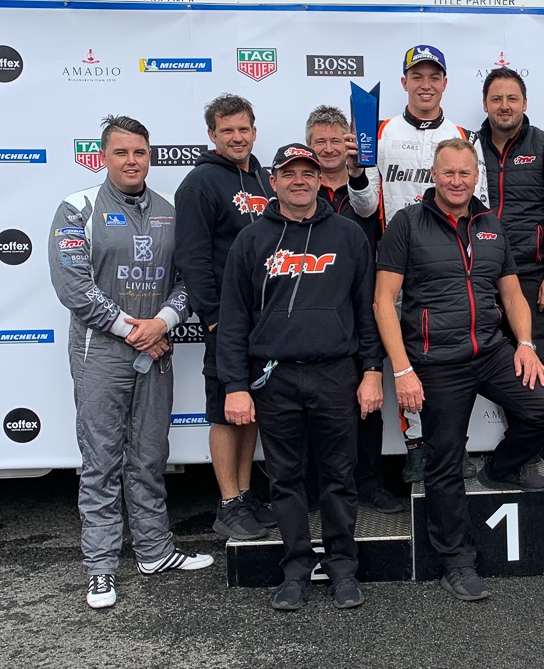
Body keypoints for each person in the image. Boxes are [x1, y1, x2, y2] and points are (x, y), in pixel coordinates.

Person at [374, 139, 544, 602]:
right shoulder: (407, 223)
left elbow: (512, 294)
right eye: (448, 173)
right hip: (436, 360)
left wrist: (525, 344)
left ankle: (501, 468)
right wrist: (402, 370)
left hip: (491, 351)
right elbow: (383, 301)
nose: (457, 181)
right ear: (434, 175)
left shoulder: (490, 225)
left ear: (476, 177)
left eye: (465, 173)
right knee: (444, 462)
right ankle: (457, 562)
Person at [49, 115, 213, 610]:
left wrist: (161, 323)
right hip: (101, 353)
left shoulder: (169, 211)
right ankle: (100, 568)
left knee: (149, 455)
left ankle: (154, 551)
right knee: (102, 461)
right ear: (103, 157)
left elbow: (188, 279)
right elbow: (74, 287)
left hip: (155, 350)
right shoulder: (77, 208)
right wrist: (133, 331)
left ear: (150, 156)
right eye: (120, 152)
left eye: (139, 152)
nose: (131, 161)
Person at [217, 143, 385, 611]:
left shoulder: (349, 235)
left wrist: (372, 371)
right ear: (273, 181)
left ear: (319, 179)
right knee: (286, 480)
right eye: (289, 173)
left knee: (339, 477)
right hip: (275, 379)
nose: (299, 181)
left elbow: (367, 311)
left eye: (307, 173)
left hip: (336, 374)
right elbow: (233, 321)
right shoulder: (251, 240)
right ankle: (295, 570)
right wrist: (235, 386)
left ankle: (343, 568)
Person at [376, 45, 488, 482]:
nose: (426, 85)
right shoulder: (380, 131)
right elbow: (365, 205)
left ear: (445, 83)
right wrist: (360, 175)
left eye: (434, 77)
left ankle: (450, 445)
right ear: (404, 82)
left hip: (448, 261)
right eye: (417, 76)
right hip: (397, 257)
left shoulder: (464, 135)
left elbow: (480, 205)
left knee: (452, 359)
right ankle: (415, 446)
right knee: (405, 357)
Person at [174, 94, 277, 541]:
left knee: (250, 410)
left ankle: (246, 494)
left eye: (243, 129)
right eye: (227, 130)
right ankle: (228, 503)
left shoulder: (265, 179)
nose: (237, 137)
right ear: (212, 135)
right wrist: (213, 317)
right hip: (227, 323)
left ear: (254, 131)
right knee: (224, 412)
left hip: (266, 322)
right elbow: (192, 257)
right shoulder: (199, 184)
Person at [477, 67, 544, 486]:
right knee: (501, 367)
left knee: (542, 361)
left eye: (512, 98)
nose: (505, 106)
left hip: (534, 275)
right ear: (486, 104)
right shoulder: (470, 145)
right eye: (497, 99)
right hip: (482, 276)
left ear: (524, 102)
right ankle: (520, 456)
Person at [305, 105, 401, 514]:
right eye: (319, 142)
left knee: (369, 395)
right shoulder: (299, 189)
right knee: (313, 402)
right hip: (314, 309)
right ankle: (314, 487)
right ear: (308, 146)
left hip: (363, 305)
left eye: (336, 140)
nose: (328, 149)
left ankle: (371, 483)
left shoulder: (369, 189)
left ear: (349, 143)